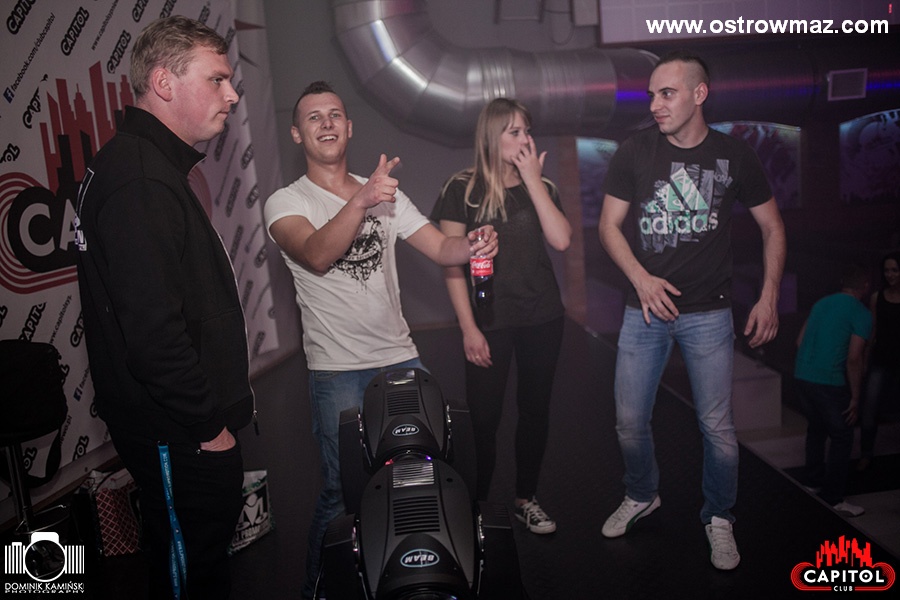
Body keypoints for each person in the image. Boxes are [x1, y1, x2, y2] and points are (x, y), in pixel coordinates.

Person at [263, 81, 497, 599]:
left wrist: (474, 243)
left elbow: (443, 249)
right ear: (297, 134)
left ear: (349, 127)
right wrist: (362, 199)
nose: (326, 123)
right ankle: (316, 590)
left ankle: (416, 579)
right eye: (314, 117)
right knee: (339, 493)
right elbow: (317, 253)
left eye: (335, 114)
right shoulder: (286, 202)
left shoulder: (385, 193)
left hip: (402, 359)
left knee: (428, 478)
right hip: (337, 370)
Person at [74, 16, 253, 599]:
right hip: (178, 431)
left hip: (181, 429)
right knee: (188, 574)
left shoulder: (145, 167)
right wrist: (208, 428)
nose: (232, 95)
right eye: (217, 79)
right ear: (164, 82)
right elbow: (153, 336)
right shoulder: (140, 179)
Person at [597, 49, 786, 570]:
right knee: (629, 420)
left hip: (709, 313)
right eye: (652, 94)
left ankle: (719, 517)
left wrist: (769, 295)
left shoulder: (734, 155)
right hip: (644, 310)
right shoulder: (635, 151)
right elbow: (608, 227)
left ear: (699, 94)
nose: (654, 104)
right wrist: (640, 279)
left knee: (717, 428)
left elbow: (772, 226)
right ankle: (642, 494)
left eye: (667, 93)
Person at [430, 98, 571, 534]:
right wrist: (468, 328)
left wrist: (532, 181)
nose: (526, 139)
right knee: (483, 421)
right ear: (492, 137)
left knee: (535, 411)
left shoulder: (542, 185)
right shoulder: (462, 188)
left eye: (527, 130)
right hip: (489, 322)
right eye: (515, 132)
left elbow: (562, 241)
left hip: (543, 317)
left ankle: (527, 498)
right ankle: (476, 509)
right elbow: (450, 264)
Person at [795, 263, 871, 517]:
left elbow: (799, 341)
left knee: (816, 429)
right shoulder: (861, 313)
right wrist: (856, 397)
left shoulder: (821, 303)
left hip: (802, 374)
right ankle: (834, 498)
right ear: (865, 287)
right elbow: (854, 358)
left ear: (842, 283)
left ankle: (812, 482)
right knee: (842, 436)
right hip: (828, 380)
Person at [858, 251, 900, 471]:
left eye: (895, 270)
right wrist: (865, 360)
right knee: (869, 407)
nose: (890, 274)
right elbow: (872, 331)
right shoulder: (877, 297)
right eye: (887, 270)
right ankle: (866, 453)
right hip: (881, 359)